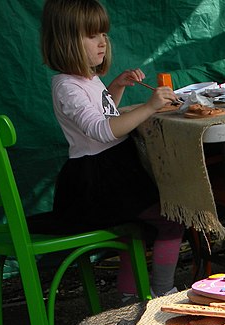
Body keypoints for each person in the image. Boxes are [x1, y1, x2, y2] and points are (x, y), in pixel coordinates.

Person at [40, 0, 184, 300]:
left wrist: (116, 87)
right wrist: (149, 106)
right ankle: (164, 292)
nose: (102, 42)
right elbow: (102, 130)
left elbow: (104, 116)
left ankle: (128, 299)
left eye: (103, 34)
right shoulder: (67, 86)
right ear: (66, 41)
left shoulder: (88, 79)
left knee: (135, 231)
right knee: (171, 220)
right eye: (92, 35)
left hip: (112, 169)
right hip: (98, 179)